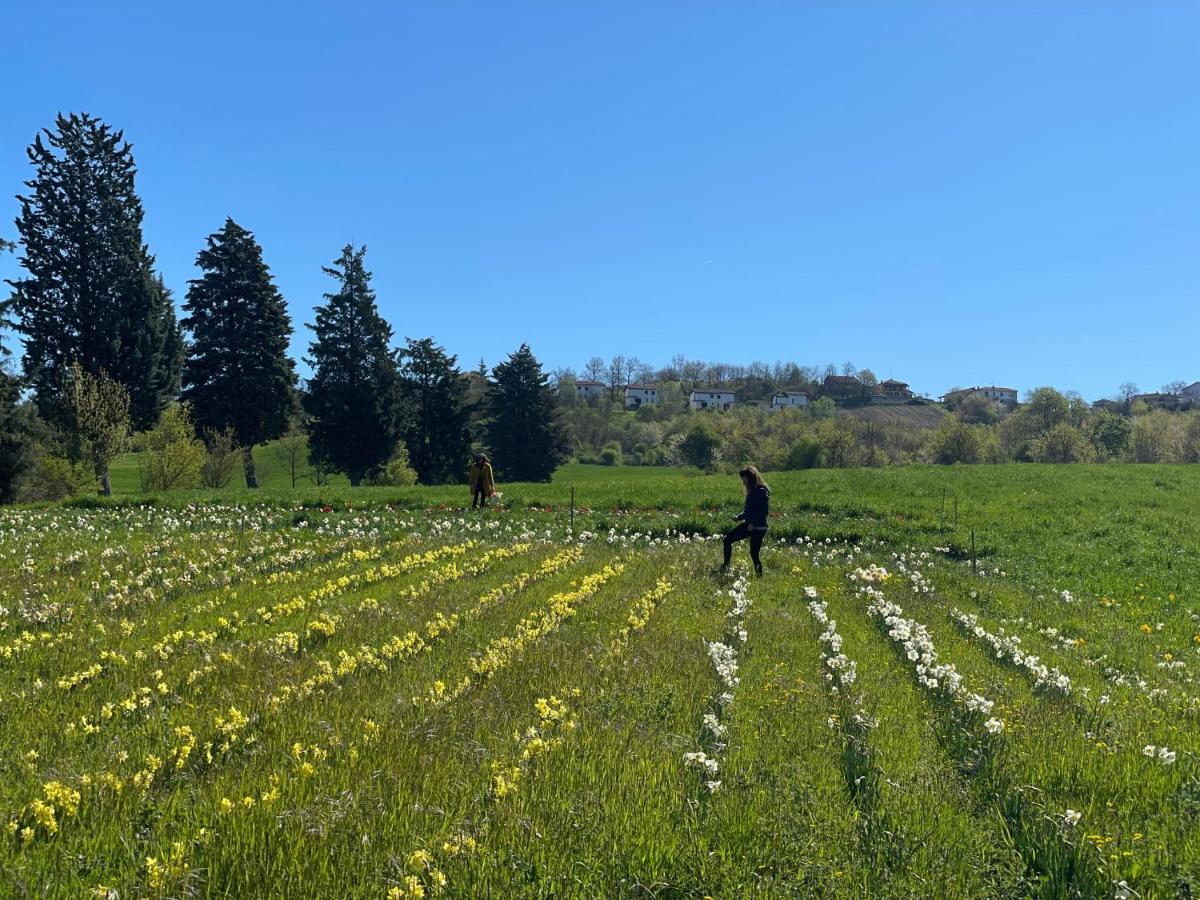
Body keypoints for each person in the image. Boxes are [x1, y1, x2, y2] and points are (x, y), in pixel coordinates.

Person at [721, 465, 770, 577]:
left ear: (751, 478)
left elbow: (762, 511)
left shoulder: (760, 491)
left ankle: (759, 577)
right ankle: (726, 566)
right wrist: (738, 518)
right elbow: (750, 512)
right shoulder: (753, 491)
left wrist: (753, 524)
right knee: (728, 540)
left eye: (744, 479)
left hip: (758, 527)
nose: (743, 482)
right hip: (752, 525)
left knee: (753, 553)